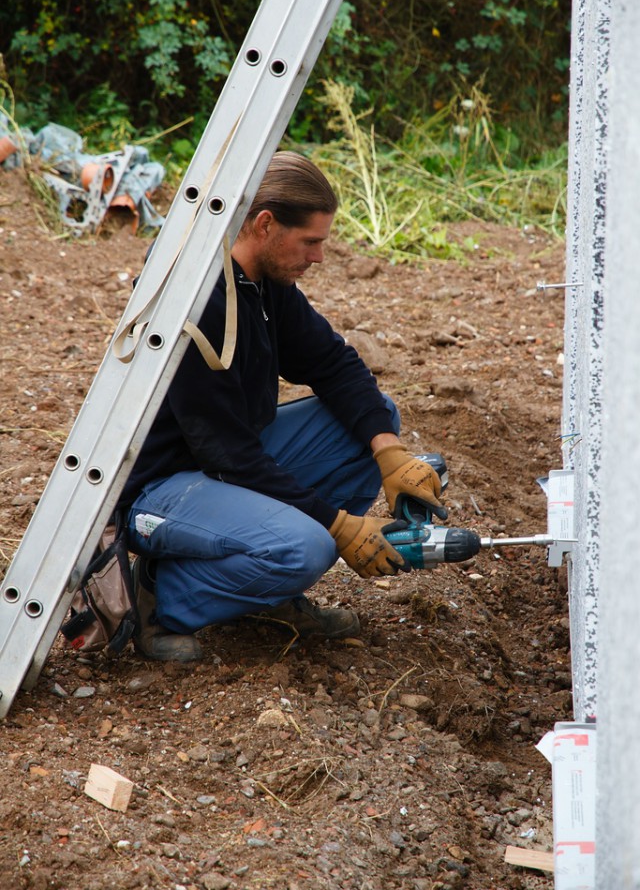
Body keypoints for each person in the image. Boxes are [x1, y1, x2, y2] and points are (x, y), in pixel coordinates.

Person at [118, 151, 446, 662]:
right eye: (310, 241)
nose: (318, 257)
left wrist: (389, 452)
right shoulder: (194, 299)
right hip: (163, 487)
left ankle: (260, 589)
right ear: (265, 224)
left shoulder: (264, 283)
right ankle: (162, 598)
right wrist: (339, 526)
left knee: (371, 422)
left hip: (226, 461)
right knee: (307, 548)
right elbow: (229, 456)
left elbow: (334, 364)